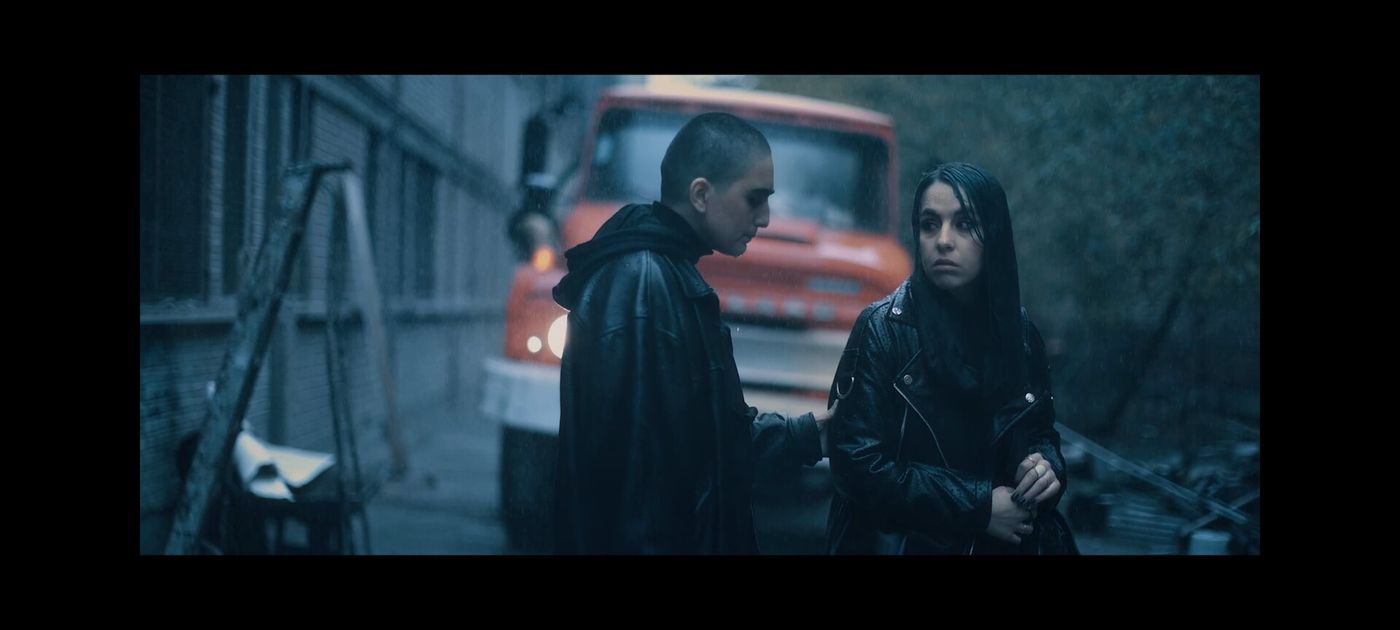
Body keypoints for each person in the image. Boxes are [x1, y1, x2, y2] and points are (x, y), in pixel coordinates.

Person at [552, 112, 835, 554]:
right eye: (755, 199)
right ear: (701, 194)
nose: (764, 218)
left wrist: (812, 435)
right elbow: (638, 487)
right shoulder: (644, 284)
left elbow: (706, 441)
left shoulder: (662, 275)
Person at [825, 162, 1078, 554]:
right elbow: (856, 464)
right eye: (930, 224)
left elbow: (1039, 432)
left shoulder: (1020, 334)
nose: (943, 241)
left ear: (994, 234)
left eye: (964, 224)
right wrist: (978, 507)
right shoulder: (883, 329)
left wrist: (1045, 468)